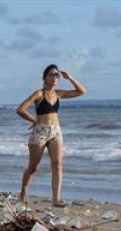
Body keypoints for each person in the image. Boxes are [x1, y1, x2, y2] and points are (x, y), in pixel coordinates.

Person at [17, 64, 86, 207]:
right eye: (51, 74)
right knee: (33, 167)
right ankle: (23, 191)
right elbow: (20, 109)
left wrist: (70, 77)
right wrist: (34, 120)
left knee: (58, 164)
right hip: (40, 132)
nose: (55, 77)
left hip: (56, 132)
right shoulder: (38, 94)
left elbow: (81, 91)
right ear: (45, 77)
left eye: (57, 75)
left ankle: (56, 199)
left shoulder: (58, 94)